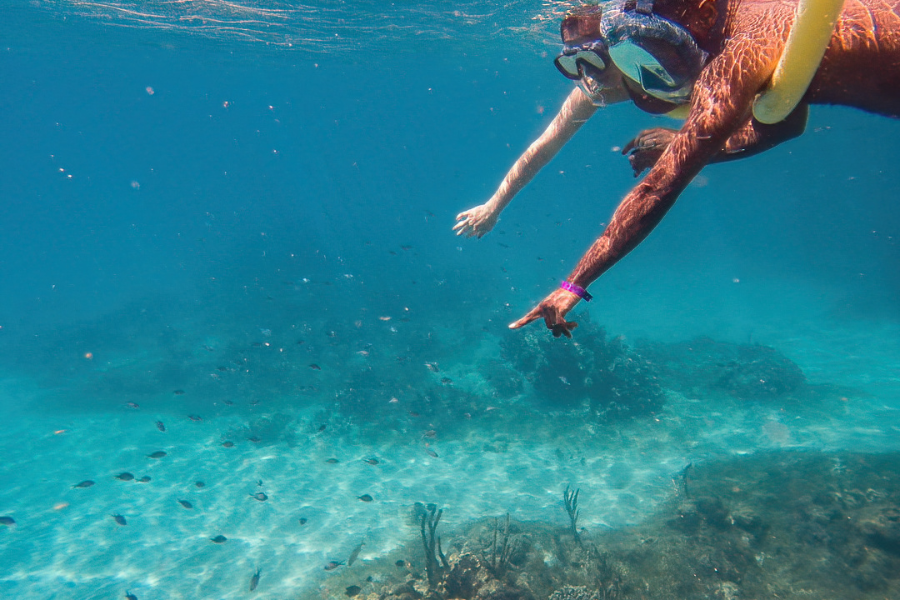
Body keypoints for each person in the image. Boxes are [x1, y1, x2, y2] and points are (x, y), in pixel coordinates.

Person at [455, 0, 900, 338]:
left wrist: (574, 286)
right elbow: (785, 120)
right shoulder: (732, 43)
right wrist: (495, 205)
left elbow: (658, 189)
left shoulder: (739, 54)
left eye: (597, 62)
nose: (591, 82)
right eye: (575, 68)